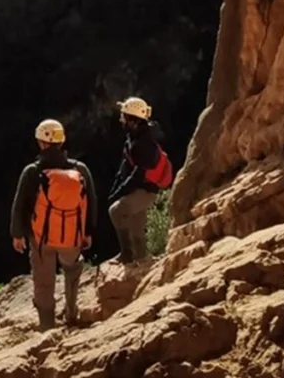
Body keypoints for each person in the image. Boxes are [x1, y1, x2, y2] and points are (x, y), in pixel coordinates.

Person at [10, 119, 97, 330]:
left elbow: (20, 205)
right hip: (71, 236)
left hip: (40, 238)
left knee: (43, 281)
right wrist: (88, 232)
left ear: (40, 142)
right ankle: (71, 313)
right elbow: (91, 202)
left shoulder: (32, 172)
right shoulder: (80, 169)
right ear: (61, 141)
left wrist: (18, 234)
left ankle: (47, 327)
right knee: (73, 268)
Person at [107, 96, 172, 264]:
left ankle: (127, 256)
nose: (121, 120)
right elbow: (125, 168)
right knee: (136, 223)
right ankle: (142, 259)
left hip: (147, 189)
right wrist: (117, 189)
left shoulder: (144, 143)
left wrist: (119, 193)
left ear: (132, 120)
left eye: (124, 116)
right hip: (142, 188)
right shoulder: (135, 137)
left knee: (116, 211)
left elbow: (138, 175)